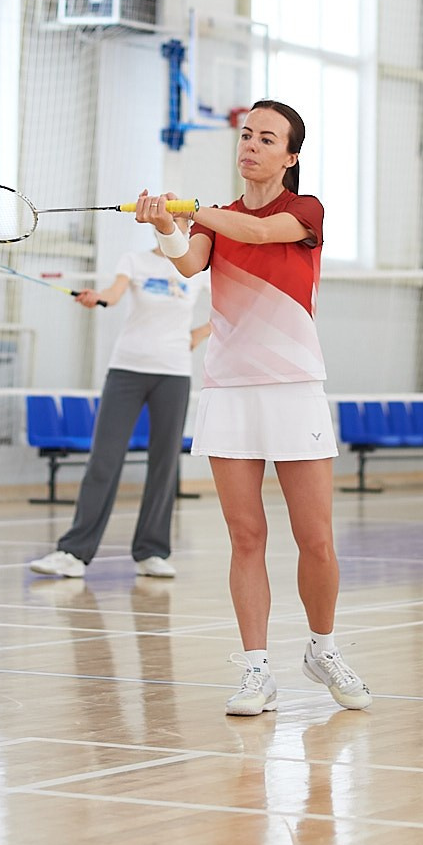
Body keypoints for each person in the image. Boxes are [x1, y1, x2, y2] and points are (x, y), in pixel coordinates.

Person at [134, 101, 370, 716]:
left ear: (290, 156)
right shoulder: (219, 218)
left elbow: (260, 234)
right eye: (246, 135)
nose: (252, 146)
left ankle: (323, 649)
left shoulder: (304, 211)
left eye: (268, 138)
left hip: (294, 389)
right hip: (229, 391)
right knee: (246, 537)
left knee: (316, 539)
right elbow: (189, 262)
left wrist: (189, 208)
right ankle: (256, 670)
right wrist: (165, 224)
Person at [28, 255, 211, 579]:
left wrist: (199, 334)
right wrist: (98, 297)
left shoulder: (198, 268)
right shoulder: (134, 261)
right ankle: (74, 552)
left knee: (165, 463)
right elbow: (114, 294)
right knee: (104, 459)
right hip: (126, 370)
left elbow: (231, 307)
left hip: (173, 372)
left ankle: (151, 551)